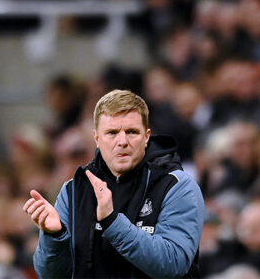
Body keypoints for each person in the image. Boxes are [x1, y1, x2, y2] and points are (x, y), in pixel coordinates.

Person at [23, 89, 205, 278]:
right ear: (97, 139)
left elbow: (173, 264)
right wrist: (55, 237)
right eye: (112, 133)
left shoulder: (177, 186)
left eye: (132, 132)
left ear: (146, 136)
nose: (122, 141)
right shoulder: (74, 190)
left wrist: (112, 222)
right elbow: (51, 275)